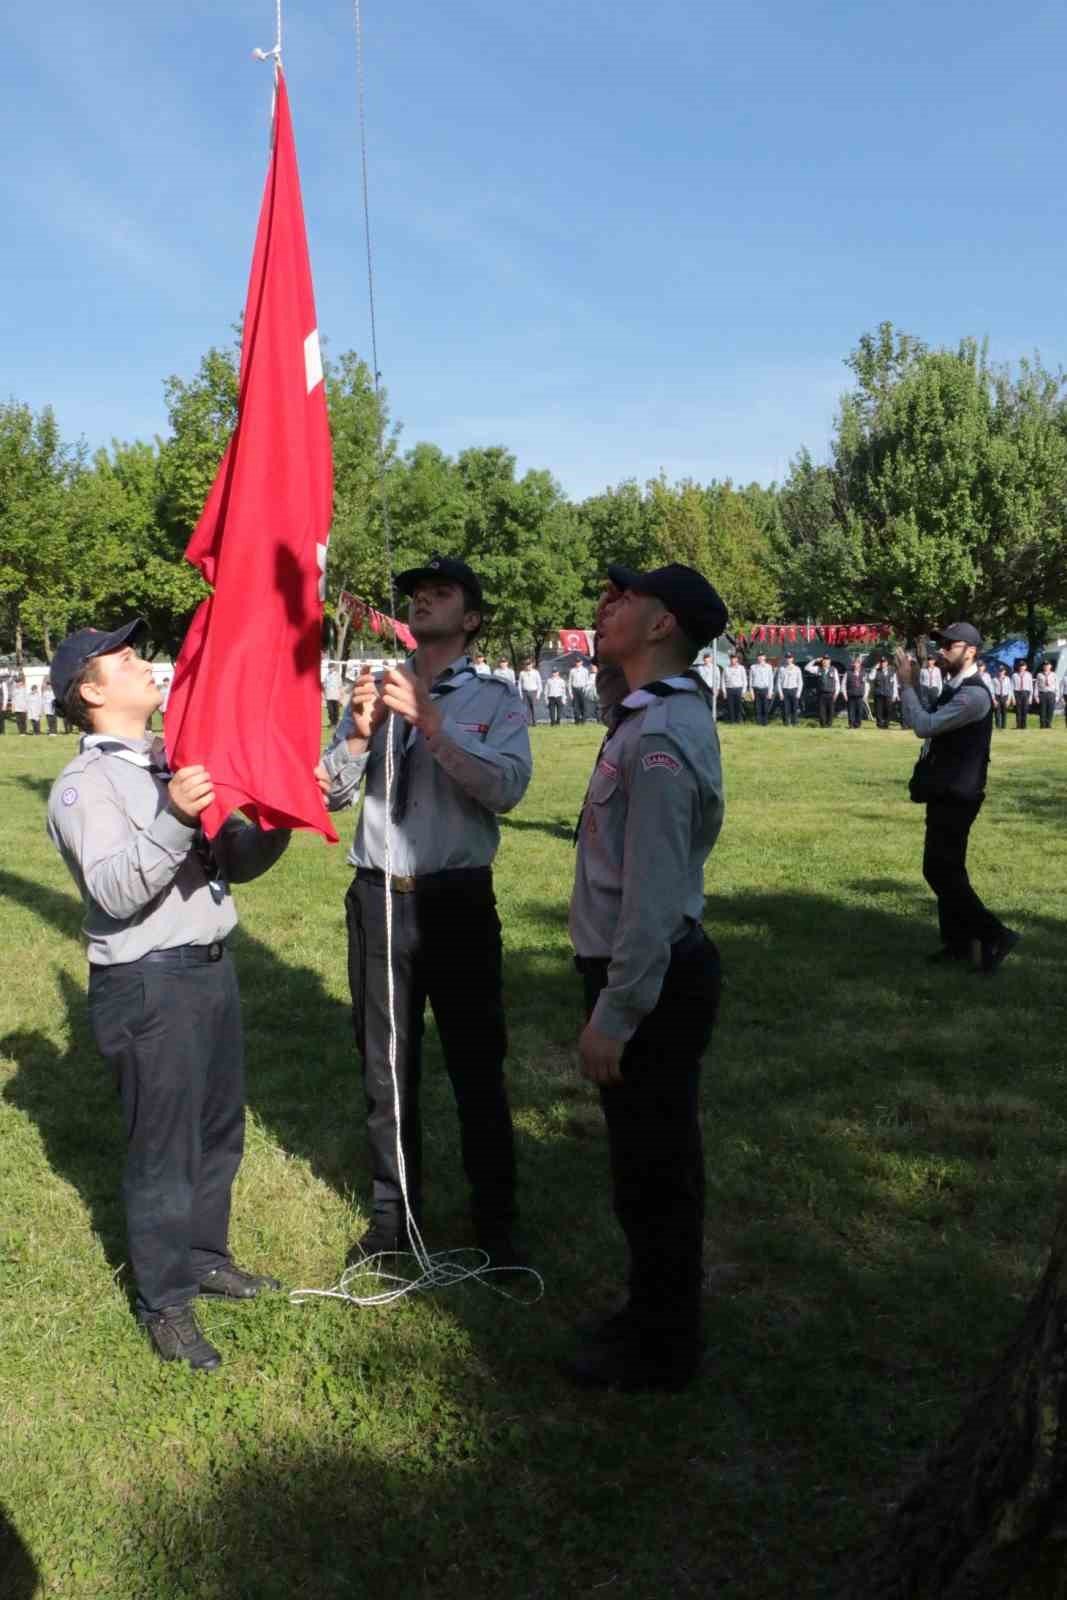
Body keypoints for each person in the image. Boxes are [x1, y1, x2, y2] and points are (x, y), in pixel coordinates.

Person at [46, 619, 291, 1371]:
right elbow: (117, 891)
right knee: (162, 1150)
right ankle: (165, 1303)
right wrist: (176, 815)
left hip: (208, 970)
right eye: (124, 660)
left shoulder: (170, 762)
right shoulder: (82, 786)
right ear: (90, 691)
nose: (144, 664)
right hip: (147, 982)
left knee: (217, 1132)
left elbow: (235, 862)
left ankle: (205, 1258)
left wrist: (282, 812)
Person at [316, 555, 533, 1267]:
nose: (422, 602)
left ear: (470, 618)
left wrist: (434, 727)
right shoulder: (377, 692)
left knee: (476, 1063)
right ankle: (393, 1216)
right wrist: (352, 734)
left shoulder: (496, 700)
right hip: (378, 896)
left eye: (440, 594)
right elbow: (327, 797)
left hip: (456, 900)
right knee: (384, 1065)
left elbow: (505, 790)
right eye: (414, 595)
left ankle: (494, 1220)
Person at [565, 561, 726, 1392]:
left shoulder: (658, 734)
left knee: (656, 1175)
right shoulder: (645, 714)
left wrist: (616, 1011)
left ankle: (662, 1348)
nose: (604, 604)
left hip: (650, 979)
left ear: (662, 624)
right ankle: (651, 1316)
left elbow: (653, 895)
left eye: (621, 599)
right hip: (645, 969)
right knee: (645, 1168)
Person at [896, 623, 1018, 976]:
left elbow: (924, 726)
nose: (942, 649)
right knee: (948, 869)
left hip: (959, 794)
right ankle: (959, 944)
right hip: (945, 790)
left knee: (939, 870)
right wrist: (914, 686)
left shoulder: (973, 695)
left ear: (971, 651)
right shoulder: (954, 687)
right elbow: (923, 718)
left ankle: (996, 935)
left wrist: (907, 685)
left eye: (951, 645)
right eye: (941, 644)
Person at [807, 655, 839, 728]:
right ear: (822, 661)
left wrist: (836, 693)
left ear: (829, 661)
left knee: (831, 711)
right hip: (821, 693)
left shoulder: (834, 670)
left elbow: (837, 682)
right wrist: (815, 660)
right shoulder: (818, 669)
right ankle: (823, 725)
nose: (825, 661)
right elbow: (807, 668)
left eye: (827, 660)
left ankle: (829, 724)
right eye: (824, 660)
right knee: (821, 711)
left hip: (831, 693)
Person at [776, 653, 803, 726]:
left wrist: (798, 693)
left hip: (794, 690)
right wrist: (780, 693)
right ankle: (786, 723)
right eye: (787, 658)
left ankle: (795, 723)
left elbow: (800, 682)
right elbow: (778, 682)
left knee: (794, 708)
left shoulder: (797, 668)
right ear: (785, 659)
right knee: (785, 709)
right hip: (785, 690)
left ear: (792, 659)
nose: (788, 659)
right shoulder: (781, 668)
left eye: (790, 658)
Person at [869, 656, 895, 729]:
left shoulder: (892, 671)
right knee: (878, 710)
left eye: (884, 662)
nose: (883, 664)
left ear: (887, 663)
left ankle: (886, 724)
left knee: (888, 709)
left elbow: (894, 683)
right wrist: (874, 668)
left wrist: (895, 694)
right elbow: (871, 677)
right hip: (878, 693)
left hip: (888, 693)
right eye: (881, 662)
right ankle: (879, 724)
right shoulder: (876, 671)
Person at [748, 653, 774, 726]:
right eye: (759, 656)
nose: (760, 658)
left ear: (765, 657)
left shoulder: (769, 667)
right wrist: (751, 692)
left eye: (762, 656)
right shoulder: (753, 667)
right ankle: (758, 723)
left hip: (765, 689)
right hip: (756, 689)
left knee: (765, 707)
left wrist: (770, 692)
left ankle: (765, 723)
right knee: (757, 708)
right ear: (757, 658)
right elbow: (750, 680)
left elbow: (771, 680)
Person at [721, 654, 747, 723]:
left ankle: (739, 720)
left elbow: (745, 680)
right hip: (729, 689)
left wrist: (743, 691)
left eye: (734, 658)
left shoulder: (741, 668)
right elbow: (723, 681)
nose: (733, 660)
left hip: (738, 689)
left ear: (737, 659)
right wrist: (724, 692)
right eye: (731, 659)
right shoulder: (726, 668)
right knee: (730, 706)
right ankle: (732, 721)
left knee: (739, 706)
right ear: (730, 660)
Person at [843, 658, 868, 729]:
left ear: (860, 664)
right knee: (851, 711)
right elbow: (843, 684)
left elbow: (866, 685)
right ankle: (851, 724)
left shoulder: (864, 673)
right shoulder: (848, 673)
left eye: (858, 663)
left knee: (859, 711)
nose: (856, 665)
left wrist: (865, 695)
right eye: (855, 663)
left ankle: (858, 724)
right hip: (851, 695)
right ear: (853, 664)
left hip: (860, 695)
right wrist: (845, 694)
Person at [568, 659, 594, 724]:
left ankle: (583, 721)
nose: (578, 663)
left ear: (581, 662)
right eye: (576, 662)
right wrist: (570, 693)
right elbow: (569, 682)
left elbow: (588, 681)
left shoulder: (585, 670)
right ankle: (577, 721)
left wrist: (586, 690)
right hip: (575, 690)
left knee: (584, 706)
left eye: (579, 662)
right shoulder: (572, 671)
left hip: (583, 690)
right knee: (576, 706)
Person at [517, 659, 542, 725]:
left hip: (533, 692)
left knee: (534, 708)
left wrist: (538, 694)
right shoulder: (522, 673)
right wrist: (520, 694)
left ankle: (534, 722)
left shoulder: (536, 672)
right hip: (525, 692)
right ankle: (527, 722)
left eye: (529, 664)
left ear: (531, 665)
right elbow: (519, 684)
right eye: (527, 665)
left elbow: (539, 683)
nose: (528, 666)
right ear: (525, 665)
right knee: (525, 708)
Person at [696, 651, 719, 722]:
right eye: (705, 658)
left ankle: (712, 719)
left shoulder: (715, 668)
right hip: (703, 688)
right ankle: (704, 719)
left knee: (711, 704)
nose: (706, 659)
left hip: (711, 688)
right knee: (704, 704)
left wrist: (717, 689)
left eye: (708, 658)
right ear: (703, 659)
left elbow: (717, 679)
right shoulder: (700, 668)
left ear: (710, 659)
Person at [1035, 660, 1058, 729]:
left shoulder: (1054, 674)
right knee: (1042, 711)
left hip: (1051, 694)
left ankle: (1048, 725)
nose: (1046, 667)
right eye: (1045, 666)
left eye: (1048, 665)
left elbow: (1057, 686)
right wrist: (1036, 696)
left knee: (1050, 710)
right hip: (1042, 694)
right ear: (1043, 667)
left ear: (1050, 666)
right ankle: (1042, 725)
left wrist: (1057, 696)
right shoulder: (1039, 675)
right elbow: (1036, 686)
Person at [1012, 659, 1033, 729]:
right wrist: (1013, 698)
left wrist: (1030, 698)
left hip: (1026, 693)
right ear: (1018, 667)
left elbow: (1031, 687)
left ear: (1025, 667)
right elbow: (1012, 687)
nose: (1021, 667)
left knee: (1025, 710)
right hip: (1017, 693)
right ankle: (1018, 725)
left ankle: (1024, 726)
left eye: (1023, 666)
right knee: (1018, 710)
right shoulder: (1014, 675)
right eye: (1020, 666)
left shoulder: (1029, 675)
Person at [992, 665, 1013, 730]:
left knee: (1004, 713)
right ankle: (998, 727)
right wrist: (994, 699)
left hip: (1005, 697)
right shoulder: (994, 679)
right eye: (999, 671)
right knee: (997, 713)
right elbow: (992, 690)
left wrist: (1009, 699)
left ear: (1004, 671)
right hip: (997, 697)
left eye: (1002, 671)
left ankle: (1004, 727)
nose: (1001, 672)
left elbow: (1010, 689)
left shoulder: (1007, 679)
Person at [324, 661, 343, 729]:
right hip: (329, 696)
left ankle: (336, 723)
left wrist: (341, 696)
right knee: (330, 711)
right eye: (329, 667)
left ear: (334, 668)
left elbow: (340, 686)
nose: (330, 669)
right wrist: (324, 695)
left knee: (336, 710)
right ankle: (332, 723)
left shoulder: (337, 675)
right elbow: (325, 686)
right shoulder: (327, 675)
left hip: (336, 696)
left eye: (331, 667)